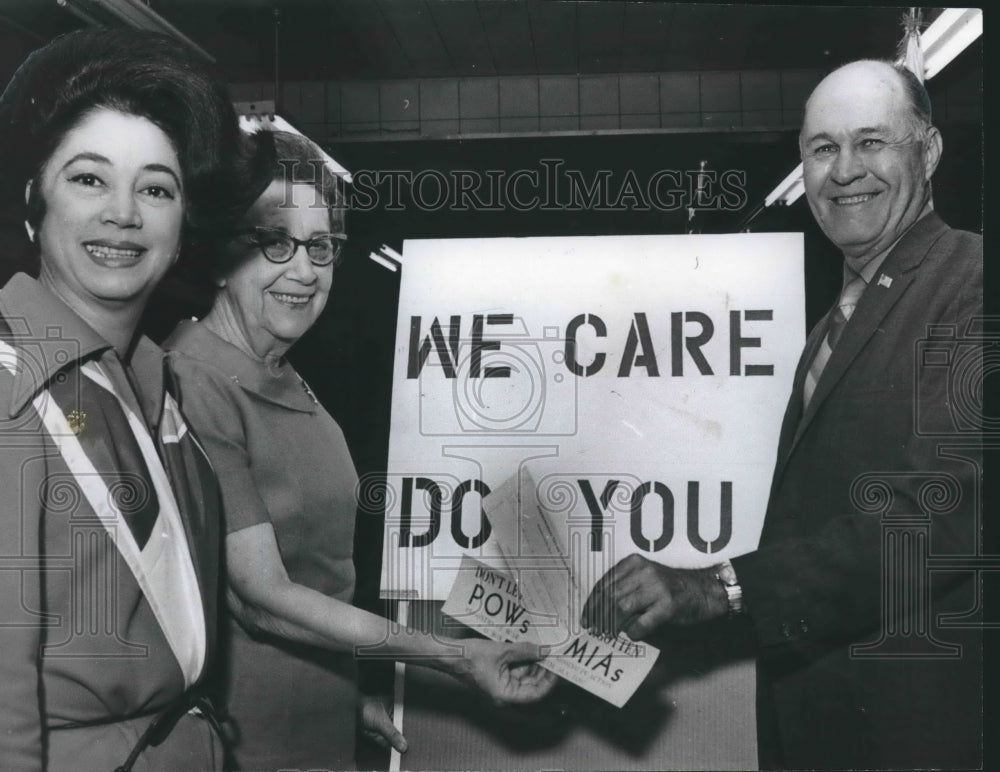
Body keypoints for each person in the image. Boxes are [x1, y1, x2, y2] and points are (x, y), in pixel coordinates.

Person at [581, 59, 982, 770]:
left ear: (930, 151)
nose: (845, 170)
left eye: (872, 142)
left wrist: (722, 586)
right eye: (823, 148)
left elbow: (943, 515)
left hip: (921, 735)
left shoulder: (973, 283)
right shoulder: (828, 332)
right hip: (829, 729)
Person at [165, 129, 555, 772]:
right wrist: (455, 657)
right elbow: (260, 597)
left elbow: (318, 570)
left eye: (321, 246)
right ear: (218, 254)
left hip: (315, 725)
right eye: (275, 241)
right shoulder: (193, 381)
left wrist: (342, 700)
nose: (304, 269)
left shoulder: (285, 375)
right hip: (245, 743)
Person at [0, 29, 242, 771]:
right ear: (33, 205)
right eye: (89, 179)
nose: (124, 214)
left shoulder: (151, 382)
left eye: (157, 188)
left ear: (180, 232)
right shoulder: (13, 386)